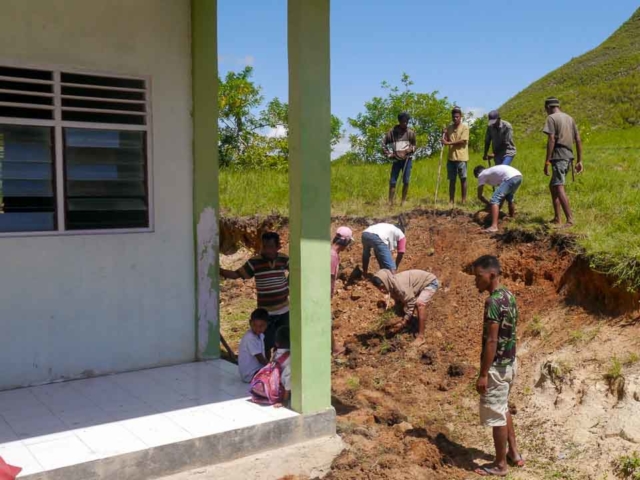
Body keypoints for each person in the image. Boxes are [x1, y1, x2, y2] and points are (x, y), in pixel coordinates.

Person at [472, 255, 523, 477]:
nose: (476, 281)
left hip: (497, 368)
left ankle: (500, 465)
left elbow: (492, 340)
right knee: (502, 408)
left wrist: (484, 374)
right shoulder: (508, 295)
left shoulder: (492, 302)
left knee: (496, 416)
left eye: (479, 276)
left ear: (491, 275)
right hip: (510, 363)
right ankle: (514, 453)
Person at [220, 232, 289, 353]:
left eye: (271, 247)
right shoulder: (255, 262)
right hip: (266, 314)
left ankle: (279, 368)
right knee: (266, 344)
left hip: (284, 311)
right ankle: (266, 369)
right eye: (265, 246)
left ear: (278, 247)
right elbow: (236, 274)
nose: (267, 250)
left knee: (284, 343)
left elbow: (297, 270)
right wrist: (219, 270)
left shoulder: (284, 259)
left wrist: (288, 285)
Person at [542, 97, 583, 227]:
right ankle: (557, 218)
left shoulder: (551, 118)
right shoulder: (569, 118)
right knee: (553, 186)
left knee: (559, 187)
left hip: (559, 157)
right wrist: (579, 160)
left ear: (548, 107)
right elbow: (578, 139)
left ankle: (570, 220)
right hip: (568, 156)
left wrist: (547, 161)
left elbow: (551, 139)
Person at [372, 269, 439, 346]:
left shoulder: (400, 287)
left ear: (385, 282)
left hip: (430, 282)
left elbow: (411, 303)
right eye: (379, 288)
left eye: (382, 286)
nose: (381, 290)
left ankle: (421, 337)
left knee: (420, 304)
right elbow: (399, 301)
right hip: (416, 286)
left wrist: (404, 322)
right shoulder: (390, 284)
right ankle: (411, 323)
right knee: (399, 307)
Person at [473, 165, 523, 233]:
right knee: (509, 197)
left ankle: (494, 226)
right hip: (518, 176)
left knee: (494, 199)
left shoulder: (481, 175)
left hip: (510, 177)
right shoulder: (492, 173)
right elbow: (502, 197)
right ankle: (512, 217)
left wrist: (489, 203)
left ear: (477, 174)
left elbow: (480, 195)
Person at [382, 112, 417, 205]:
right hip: (396, 160)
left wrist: (409, 150)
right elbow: (383, 144)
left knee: (406, 181)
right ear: (399, 121)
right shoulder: (392, 133)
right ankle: (390, 201)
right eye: (403, 122)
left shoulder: (410, 132)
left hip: (407, 160)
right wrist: (389, 154)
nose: (405, 124)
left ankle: (403, 201)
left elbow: (414, 145)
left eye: (406, 122)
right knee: (393, 181)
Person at [331, 226, 353, 355]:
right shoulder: (332, 256)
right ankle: (334, 349)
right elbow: (328, 278)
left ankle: (334, 348)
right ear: (345, 242)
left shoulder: (331, 253)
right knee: (325, 321)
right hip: (321, 295)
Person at [442, 107, 470, 204]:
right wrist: (444, 134)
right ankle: (451, 200)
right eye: (453, 117)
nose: (455, 119)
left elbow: (462, 141)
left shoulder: (465, 127)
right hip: (451, 157)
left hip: (461, 157)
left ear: (460, 117)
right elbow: (446, 139)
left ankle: (463, 200)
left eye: (457, 117)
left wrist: (448, 143)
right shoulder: (449, 128)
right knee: (452, 180)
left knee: (463, 178)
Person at [237, 308, 270, 383]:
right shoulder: (250, 338)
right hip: (250, 375)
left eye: (261, 326)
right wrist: (271, 368)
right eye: (254, 325)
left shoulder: (261, 335)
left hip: (257, 370)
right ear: (250, 323)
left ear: (267, 325)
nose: (257, 329)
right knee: (276, 377)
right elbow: (261, 359)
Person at [272, 326, 291, 409]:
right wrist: (285, 400)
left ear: (276, 343)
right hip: (284, 390)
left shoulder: (276, 354)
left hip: (275, 386)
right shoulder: (292, 356)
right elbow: (288, 380)